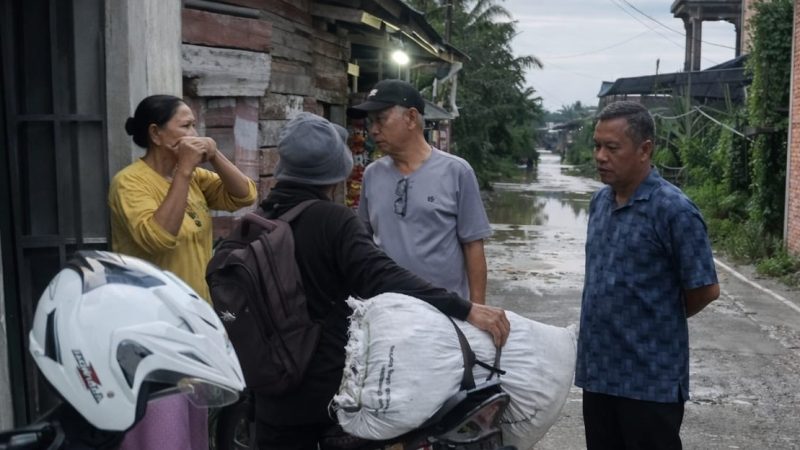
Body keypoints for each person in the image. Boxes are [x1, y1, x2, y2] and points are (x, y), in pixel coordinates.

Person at [255, 112, 510, 449]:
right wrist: (465, 308)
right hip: (330, 393)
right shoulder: (334, 221)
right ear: (334, 172)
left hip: (270, 392)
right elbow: (382, 276)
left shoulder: (259, 220)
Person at [108, 94, 257, 450]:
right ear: (156, 134)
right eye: (186, 126)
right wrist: (186, 171)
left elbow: (244, 195)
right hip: (152, 327)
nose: (195, 133)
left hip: (194, 322)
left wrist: (215, 155)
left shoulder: (193, 178)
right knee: (163, 427)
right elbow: (158, 238)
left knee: (194, 423)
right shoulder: (130, 183)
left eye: (195, 125)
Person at [576, 100, 720, 450]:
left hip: (650, 381)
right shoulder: (599, 203)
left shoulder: (674, 210)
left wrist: (653, 317)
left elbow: (705, 289)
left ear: (645, 150)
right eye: (597, 146)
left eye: (612, 148)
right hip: (598, 374)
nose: (600, 156)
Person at [348, 79, 492, 305]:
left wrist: (476, 310)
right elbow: (364, 243)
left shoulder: (456, 171)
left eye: (381, 119)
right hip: (387, 307)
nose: (373, 130)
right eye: (370, 122)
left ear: (411, 118)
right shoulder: (372, 174)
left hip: (445, 310)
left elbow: (473, 245)